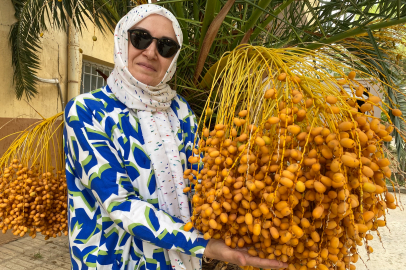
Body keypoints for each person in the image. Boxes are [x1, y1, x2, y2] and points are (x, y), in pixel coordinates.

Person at [64, 4, 288, 270]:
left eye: (166, 46)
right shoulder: (86, 111)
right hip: (113, 261)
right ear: (123, 39)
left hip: (178, 262)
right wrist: (205, 244)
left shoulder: (179, 110)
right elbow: (120, 204)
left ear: (173, 58)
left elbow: (201, 181)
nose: (151, 52)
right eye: (141, 38)